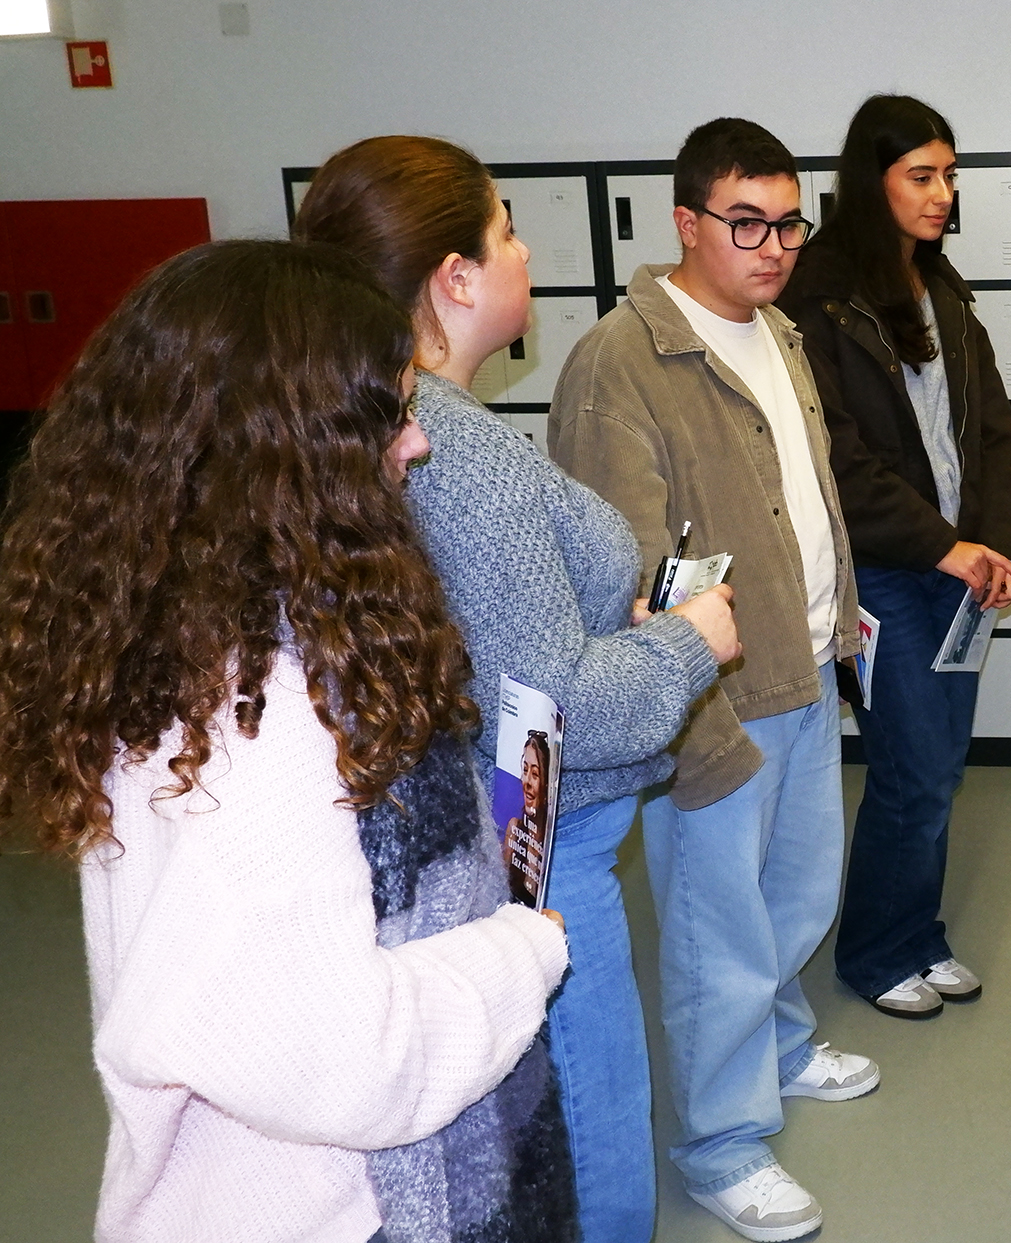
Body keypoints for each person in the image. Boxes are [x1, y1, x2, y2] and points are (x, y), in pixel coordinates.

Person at [0, 240, 574, 1242]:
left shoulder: (185, 636)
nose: (416, 444)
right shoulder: (251, 724)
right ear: (291, 448)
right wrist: (524, 948)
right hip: (333, 1211)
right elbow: (350, 1062)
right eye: (393, 414)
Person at [295, 135, 737, 1243]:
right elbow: (550, 708)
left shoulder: (391, 423)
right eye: (505, 230)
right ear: (454, 277)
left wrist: (607, 622)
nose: (525, 251)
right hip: (546, 848)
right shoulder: (457, 450)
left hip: (487, 834)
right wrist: (690, 644)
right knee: (594, 1150)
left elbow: (496, 650)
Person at [549, 117, 868, 1243]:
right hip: (709, 693)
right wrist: (683, 698)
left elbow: (802, 494)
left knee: (794, 895)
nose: (774, 247)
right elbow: (620, 567)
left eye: (789, 224)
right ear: (686, 222)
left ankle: (780, 1045)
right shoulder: (621, 359)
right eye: (746, 224)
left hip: (805, 661)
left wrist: (840, 610)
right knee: (714, 924)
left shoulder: (776, 330)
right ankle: (723, 1142)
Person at [777, 94, 1011, 1020]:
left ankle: (919, 934)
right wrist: (946, 545)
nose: (942, 194)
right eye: (921, 176)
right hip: (886, 571)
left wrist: (995, 545)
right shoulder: (820, 295)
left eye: (949, 176)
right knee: (911, 767)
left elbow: (991, 432)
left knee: (940, 767)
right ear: (869, 180)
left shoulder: (942, 290)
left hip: (959, 568)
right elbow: (839, 460)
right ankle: (875, 953)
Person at [505, 731, 553, 905]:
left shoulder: (551, 838)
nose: (527, 782)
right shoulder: (515, 830)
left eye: (535, 774)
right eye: (525, 770)